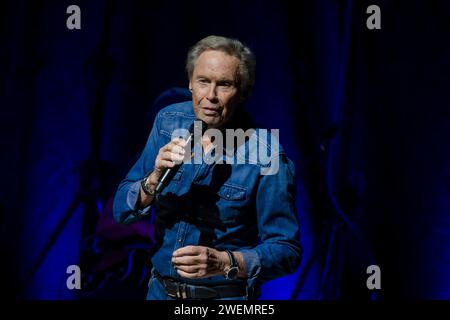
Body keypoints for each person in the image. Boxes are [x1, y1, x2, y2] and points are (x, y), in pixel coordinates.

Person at [113, 35, 301, 300]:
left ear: (244, 91)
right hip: (159, 292)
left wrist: (226, 262)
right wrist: (153, 178)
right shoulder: (168, 122)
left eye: (224, 85)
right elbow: (121, 210)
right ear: (190, 83)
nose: (210, 96)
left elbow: (286, 250)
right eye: (203, 82)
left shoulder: (266, 154)